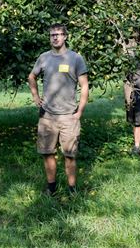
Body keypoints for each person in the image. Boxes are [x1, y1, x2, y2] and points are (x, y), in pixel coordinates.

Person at [28, 23, 89, 196]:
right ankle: (51, 187)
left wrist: (80, 112)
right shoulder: (44, 58)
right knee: (47, 153)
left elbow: (84, 86)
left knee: (70, 155)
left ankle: (72, 189)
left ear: (65, 36)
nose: (55, 37)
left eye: (59, 34)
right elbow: (31, 77)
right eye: (52, 35)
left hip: (69, 116)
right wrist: (35, 96)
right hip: (47, 116)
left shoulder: (75, 58)